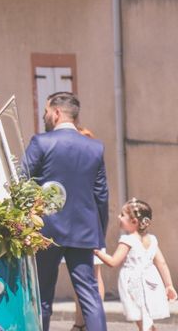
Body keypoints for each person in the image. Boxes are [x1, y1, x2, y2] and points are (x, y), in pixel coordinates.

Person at [23, 92, 109, 331]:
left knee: (41, 296)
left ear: (57, 112)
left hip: (45, 231)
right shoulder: (95, 147)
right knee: (90, 295)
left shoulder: (41, 142)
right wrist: (99, 233)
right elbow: (101, 195)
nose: (44, 116)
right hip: (83, 231)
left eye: (46, 111)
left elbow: (20, 183)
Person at [94, 198, 176, 331]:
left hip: (133, 283)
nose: (118, 217)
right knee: (146, 319)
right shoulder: (152, 240)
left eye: (122, 215)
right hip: (150, 280)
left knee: (141, 319)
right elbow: (162, 263)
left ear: (134, 221)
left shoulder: (127, 240)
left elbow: (113, 262)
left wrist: (97, 252)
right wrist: (169, 285)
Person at [69, 126, 105, 331]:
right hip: (85, 228)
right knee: (83, 278)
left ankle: (85, 323)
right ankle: (80, 322)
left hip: (88, 228)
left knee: (92, 277)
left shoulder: (86, 169)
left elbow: (100, 196)